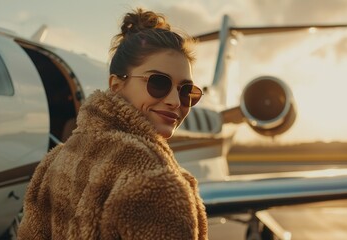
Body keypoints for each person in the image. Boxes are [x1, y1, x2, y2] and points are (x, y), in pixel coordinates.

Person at [17, 8, 208, 239]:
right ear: (117, 85)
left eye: (187, 91)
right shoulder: (152, 176)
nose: (175, 101)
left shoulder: (54, 161)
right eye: (158, 83)